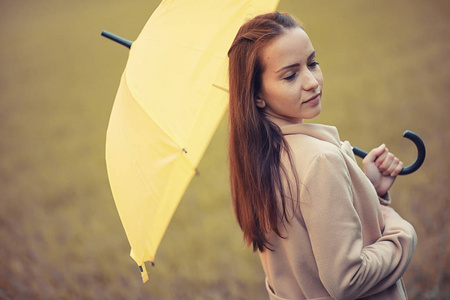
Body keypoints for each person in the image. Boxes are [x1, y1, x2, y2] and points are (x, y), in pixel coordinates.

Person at [227, 12, 417, 300]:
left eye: (312, 63)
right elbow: (348, 280)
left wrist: (370, 193)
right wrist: (402, 232)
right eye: (290, 75)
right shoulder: (320, 161)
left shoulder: (257, 158)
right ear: (257, 95)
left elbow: (310, 244)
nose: (312, 82)